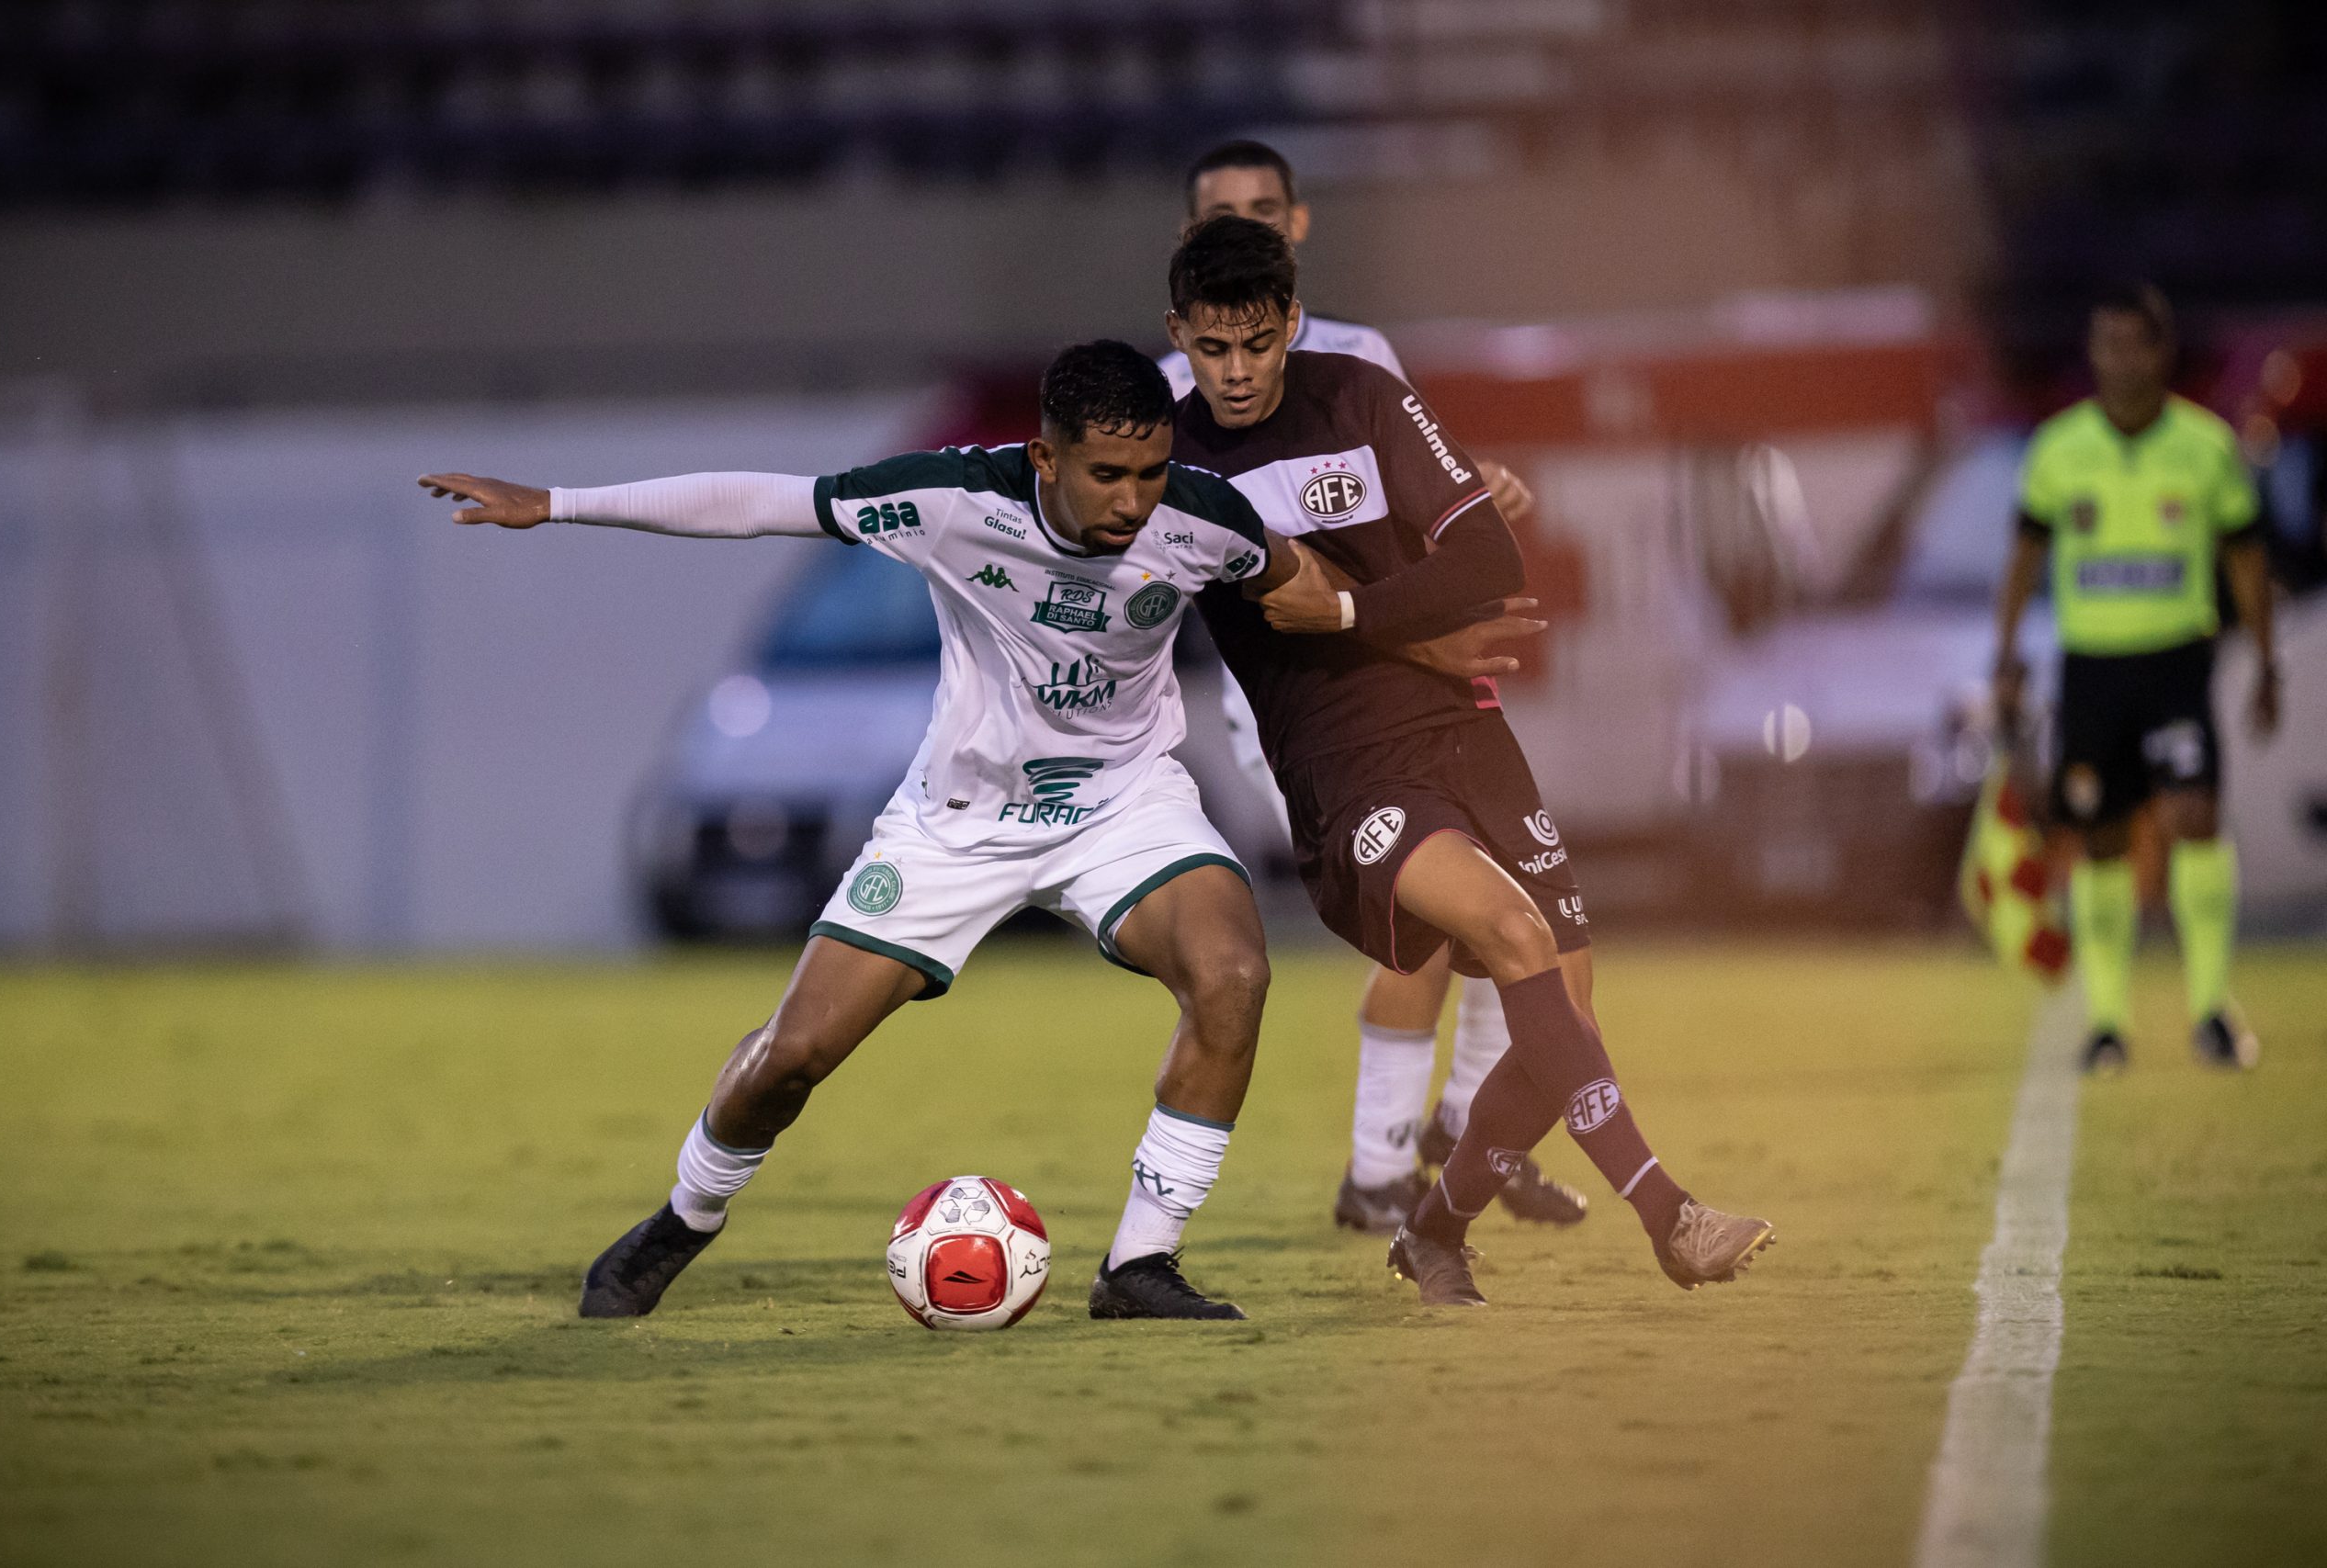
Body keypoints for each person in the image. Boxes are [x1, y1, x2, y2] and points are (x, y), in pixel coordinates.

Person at [420, 343, 1313, 1321]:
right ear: (1046, 458)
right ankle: (683, 1217)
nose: (1133, 502)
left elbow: (1306, 587)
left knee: (1232, 975)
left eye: (1148, 474)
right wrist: (556, 501)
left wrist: (1420, 609)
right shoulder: (952, 501)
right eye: (1107, 475)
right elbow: (760, 503)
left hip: (1123, 803)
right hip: (955, 824)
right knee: (793, 1056)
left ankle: (1140, 1263)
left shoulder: (1203, 518)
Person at [1164, 216, 1774, 1305]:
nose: (1239, 370)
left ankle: (1434, 1235)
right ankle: (1666, 1212)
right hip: (1340, 760)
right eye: (1215, 349)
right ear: (1179, 337)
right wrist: (1404, 620)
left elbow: (1485, 556)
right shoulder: (1179, 466)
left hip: (1463, 720)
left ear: (1291, 323)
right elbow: (1268, 629)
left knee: (1564, 1013)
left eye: (1258, 343)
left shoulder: (1360, 392)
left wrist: (1359, 609)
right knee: (1511, 933)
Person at [1162, 138, 1586, 1237]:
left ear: (1297, 227)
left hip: (1413, 667)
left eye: (1262, 208)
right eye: (1220, 214)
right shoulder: (1169, 399)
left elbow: (1410, 514)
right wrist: (1409, 632)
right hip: (1307, 698)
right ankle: (1389, 1163)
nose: (1241, 226)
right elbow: (1261, 586)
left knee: (1506, 915)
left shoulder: (1357, 361)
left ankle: (1443, 1137)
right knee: (1442, 914)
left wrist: (1461, 507)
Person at [1994, 282, 2280, 1074]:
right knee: (2101, 839)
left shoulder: (2206, 446)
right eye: (2106, 344)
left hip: (2175, 664)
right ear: (2091, 352)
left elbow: (2246, 557)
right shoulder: (2058, 449)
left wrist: (2265, 660)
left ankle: (2211, 1009)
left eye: (2134, 343)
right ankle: (2109, 1023)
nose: (2120, 360)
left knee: (2194, 815)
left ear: (2161, 350)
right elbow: (2023, 559)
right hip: (2091, 670)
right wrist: (2007, 655)